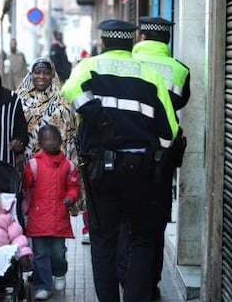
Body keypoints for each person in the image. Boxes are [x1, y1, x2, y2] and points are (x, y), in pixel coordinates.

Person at [61, 19, 179, 302]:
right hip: (141, 172)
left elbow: (70, 91)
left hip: (101, 169)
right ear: (132, 42)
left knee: (103, 242)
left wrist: (100, 120)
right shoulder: (149, 75)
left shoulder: (87, 68)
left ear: (103, 43)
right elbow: (170, 132)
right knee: (140, 239)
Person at [128, 16, 190, 299]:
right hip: (162, 159)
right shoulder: (180, 70)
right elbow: (181, 102)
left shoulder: (127, 64)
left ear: (141, 37)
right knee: (154, 226)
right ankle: (150, 283)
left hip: (127, 154)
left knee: (125, 221)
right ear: (166, 40)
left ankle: (126, 278)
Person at [22, 124, 80, 301]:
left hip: (58, 217)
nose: (50, 143)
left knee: (57, 252)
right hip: (38, 217)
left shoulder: (68, 166)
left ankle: (60, 271)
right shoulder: (34, 164)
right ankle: (43, 285)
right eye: (46, 139)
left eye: (54, 139)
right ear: (40, 142)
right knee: (40, 254)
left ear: (60, 141)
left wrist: (71, 197)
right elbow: (25, 185)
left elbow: (73, 186)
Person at [16, 57, 77, 163]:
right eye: (37, 72)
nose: (41, 77)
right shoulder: (19, 100)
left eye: (47, 73)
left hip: (55, 166)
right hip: (25, 163)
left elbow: (70, 138)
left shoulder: (62, 103)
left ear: (52, 76)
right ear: (31, 74)